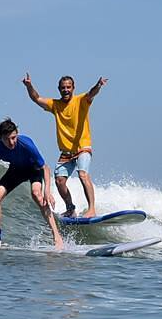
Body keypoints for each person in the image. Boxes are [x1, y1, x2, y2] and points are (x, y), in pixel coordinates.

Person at [22, 72, 107, 218]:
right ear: (59, 89)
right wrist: (29, 85)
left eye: (68, 87)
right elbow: (36, 98)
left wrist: (98, 85)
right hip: (66, 152)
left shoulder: (81, 101)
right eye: (63, 88)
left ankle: (91, 209)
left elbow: (91, 94)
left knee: (82, 174)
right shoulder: (56, 105)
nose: (66, 90)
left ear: (73, 88)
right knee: (59, 181)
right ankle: (70, 208)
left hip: (82, 147)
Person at [0, 118, 63, 249]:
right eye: (7, 139)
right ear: (0, 138)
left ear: (17, 133)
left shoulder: (26, 144)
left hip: (33, 170)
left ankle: (57, 236)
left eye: (13, 137)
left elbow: (45, 168)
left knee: (37, 195)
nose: (11, 142)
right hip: (16, 171)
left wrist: (47, 192)